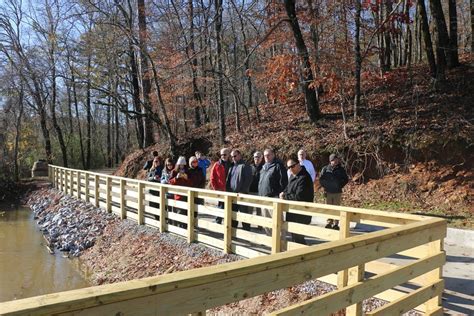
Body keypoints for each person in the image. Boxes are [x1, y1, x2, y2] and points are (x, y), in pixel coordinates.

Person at [279, 156, 314, 245]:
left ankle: (304, 256)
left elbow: (299, 197)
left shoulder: (304, 177)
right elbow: (288, 189)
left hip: (301, 213)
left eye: (292, 166)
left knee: (299, 238)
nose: (291, 169)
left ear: (298, 164)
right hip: (292, 212)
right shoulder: (292, 176)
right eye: (289, 167)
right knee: (294, 237)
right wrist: (283, 192)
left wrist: (284, 196)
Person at [258, 148, 288, 235]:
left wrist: (278, 194)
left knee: (278, 222)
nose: (266, 157)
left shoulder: (278, 166)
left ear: (273, 155)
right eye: (265, 155)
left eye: (268, 155)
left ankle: (281, 244)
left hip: (273, 199)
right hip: (263, 198)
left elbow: (284, 182)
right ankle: (270, 241)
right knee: (266, 223)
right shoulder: (263, 167)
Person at [319, 153, 349, 230]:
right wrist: (326, 186)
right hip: (328, 192)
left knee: (337, 207)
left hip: (337, 192)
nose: (335, 161)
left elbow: (346, 179)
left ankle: (336, 224)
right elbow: (321, 179)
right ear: (330, 161)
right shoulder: (325, 169)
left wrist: (339, 185)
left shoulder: (341, 169)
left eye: (336, 160)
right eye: (333, 160)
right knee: (329, 207)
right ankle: (329, 222)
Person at [226, 150, 253, 231]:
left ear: (239, 155)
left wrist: (243, 191)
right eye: (232, 156)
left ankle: (247, 232)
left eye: (235, 156)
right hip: (232, 194)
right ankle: (233, 232)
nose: (233, 158)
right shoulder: (232, 166)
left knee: (244, 214)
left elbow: (248, 180)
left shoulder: (245, 165)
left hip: (241, 195)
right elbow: (229, 179)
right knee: (233, 215)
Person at [209, 148, 231, 224]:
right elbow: (212, 178)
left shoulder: (231, 164)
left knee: (229, 207)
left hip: (230, 189)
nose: (223, 156)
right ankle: (218, 221)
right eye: (221, 154)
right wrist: (216, 189)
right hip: (220, 189)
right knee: (221, 206)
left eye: (225, 154)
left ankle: (228, 223)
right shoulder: (217, 164)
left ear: (228, 155)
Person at [169, 156, 190, 228]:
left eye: (183, 165)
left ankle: (185, 227)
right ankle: (178, 226)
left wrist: (186, 178)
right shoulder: (174, 172)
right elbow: (170, 182)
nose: (182, 166)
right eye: (180, 164)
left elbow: (191, 183)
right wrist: (176, 178)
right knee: (179, 211)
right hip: (178, 195)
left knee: (186, 212)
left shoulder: (187, 171)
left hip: (186, 194)